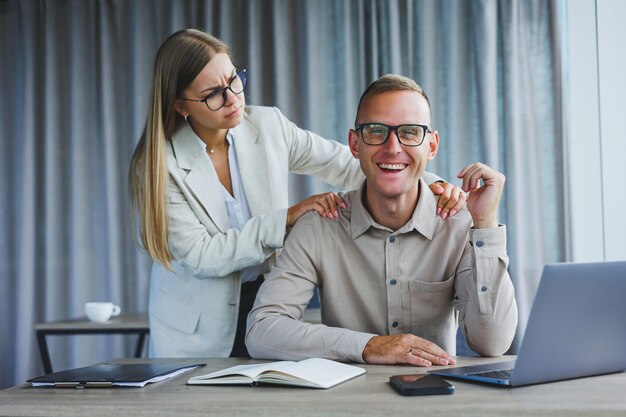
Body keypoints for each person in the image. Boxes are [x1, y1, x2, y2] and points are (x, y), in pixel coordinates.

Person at [129, 29, 466, 358]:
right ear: (180, 106)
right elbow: (204, 256)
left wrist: (431, 186)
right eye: (214, 94)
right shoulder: (159, 165)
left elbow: (349, 162)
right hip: (198, 327)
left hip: (267, 300)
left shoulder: (267, 124)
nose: (234, 98)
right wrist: (286, 219)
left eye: (234, 80)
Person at [246, 74, 518, 365]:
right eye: (375, 131)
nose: (392, 147)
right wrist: (368, 346)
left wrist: (486, 223)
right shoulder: (318, 226)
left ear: (431, 145)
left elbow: (492, 343)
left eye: (410, 132)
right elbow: (262, 331)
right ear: (354, 144)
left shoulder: (460, 224)